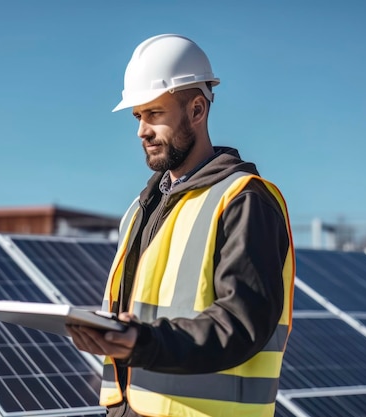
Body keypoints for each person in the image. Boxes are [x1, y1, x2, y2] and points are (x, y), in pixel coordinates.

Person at [67, 34, 295, 417]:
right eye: (138, 116)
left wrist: (145, 342)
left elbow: (242, 323)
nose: (142, 130)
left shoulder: (244, 199)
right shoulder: (139, 210)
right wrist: (103, 333)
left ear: (197, 110)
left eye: (154, 113)